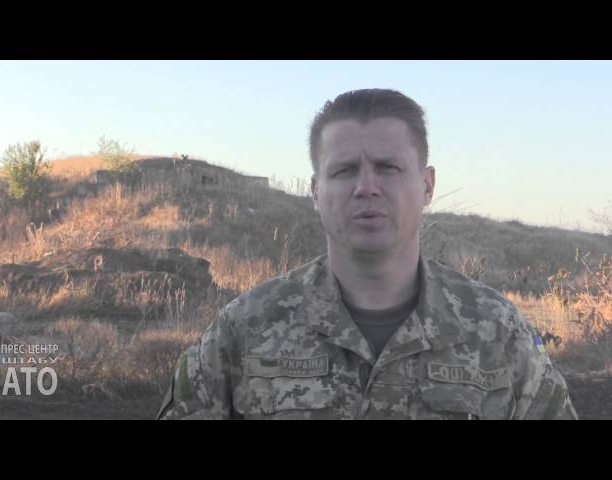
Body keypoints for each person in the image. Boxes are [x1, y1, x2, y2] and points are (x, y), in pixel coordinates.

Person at [157, 88, 578, 420]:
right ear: (316, 191)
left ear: (427, 185)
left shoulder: (498, 331)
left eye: (387, 168)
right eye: (344, 170)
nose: (366, 187)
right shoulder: (244, 329)